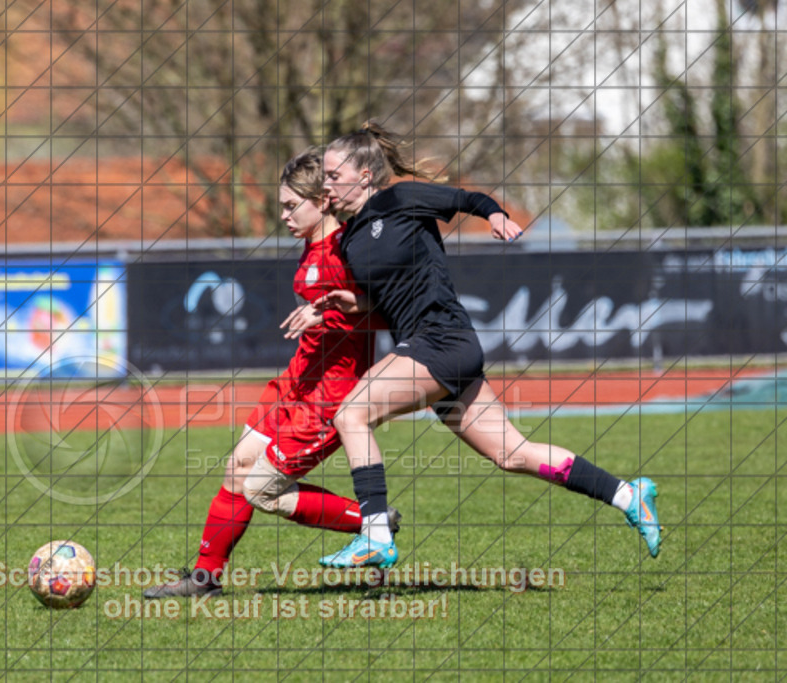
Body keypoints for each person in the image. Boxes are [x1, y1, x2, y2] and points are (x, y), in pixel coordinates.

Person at [313, 121, 662, 569]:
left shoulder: (399, 199)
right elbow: (391, 296)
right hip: (432, 349)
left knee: (352, 413)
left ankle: (375, 535)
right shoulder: (352, 237)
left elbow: (468, 199)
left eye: (332, 174)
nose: (327, 184)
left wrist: (495, 215)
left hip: (441, 341)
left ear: (364, 175)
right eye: (324, 176)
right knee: (512, 454)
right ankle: (629, 495)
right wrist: (356, 301)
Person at [143, 149, 398, 598]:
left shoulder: (350, 249)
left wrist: (324, 316)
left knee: (263, 490)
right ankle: (204, 581)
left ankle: (374, 522)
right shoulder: (313, 243)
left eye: (289, 205)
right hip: (296, 381)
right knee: (236, 467)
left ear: (323, 200)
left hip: (329, 396)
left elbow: (387, 312)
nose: (282, 215)